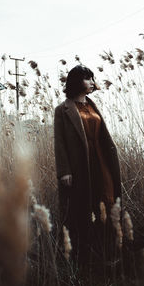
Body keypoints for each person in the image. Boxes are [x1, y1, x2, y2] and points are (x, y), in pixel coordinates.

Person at [54, 65, 122, 270]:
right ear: (76, 81)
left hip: (101, 161)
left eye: (93, 78)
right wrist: (64, 170)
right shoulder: (62, 110)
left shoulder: (93, 106)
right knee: (83, 209)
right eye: (88, 78)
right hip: (79, 166)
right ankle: (83, 259)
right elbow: (60, 143)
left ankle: (109, 253)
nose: (93, 81)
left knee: (108, 202)